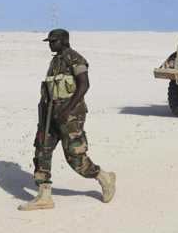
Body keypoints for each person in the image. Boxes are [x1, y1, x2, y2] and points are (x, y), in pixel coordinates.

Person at [19, 29, 116, 210]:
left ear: (63, 41)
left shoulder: (75, 59)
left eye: (53, 41)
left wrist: (67, 109)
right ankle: (44, 196)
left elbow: (84, 84)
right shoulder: (55, 61)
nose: (50, 44)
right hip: (51, 115)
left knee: (75, 157)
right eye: (49, 41)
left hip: (70, 116)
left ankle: (104, 177)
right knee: (42, 151)